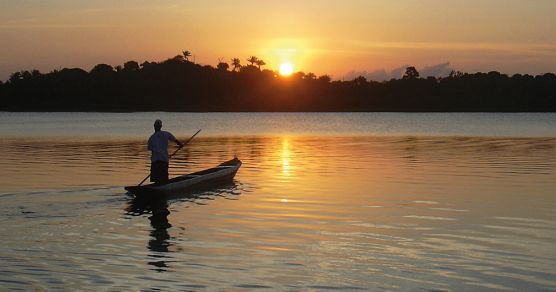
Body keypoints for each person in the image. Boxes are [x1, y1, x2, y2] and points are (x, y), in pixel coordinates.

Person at [148, 119, 183, 184]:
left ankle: (159, 186)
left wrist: (180, 144)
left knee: (157, 178)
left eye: (156, 126)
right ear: (161, 126)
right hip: (163, 159)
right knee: (163, 177)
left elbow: (150, 150)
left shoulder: (151, 138)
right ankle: (162, 186)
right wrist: (180, 144)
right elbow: (176, 141)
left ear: (154, 126)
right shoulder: (166, 134)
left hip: (156, 160)